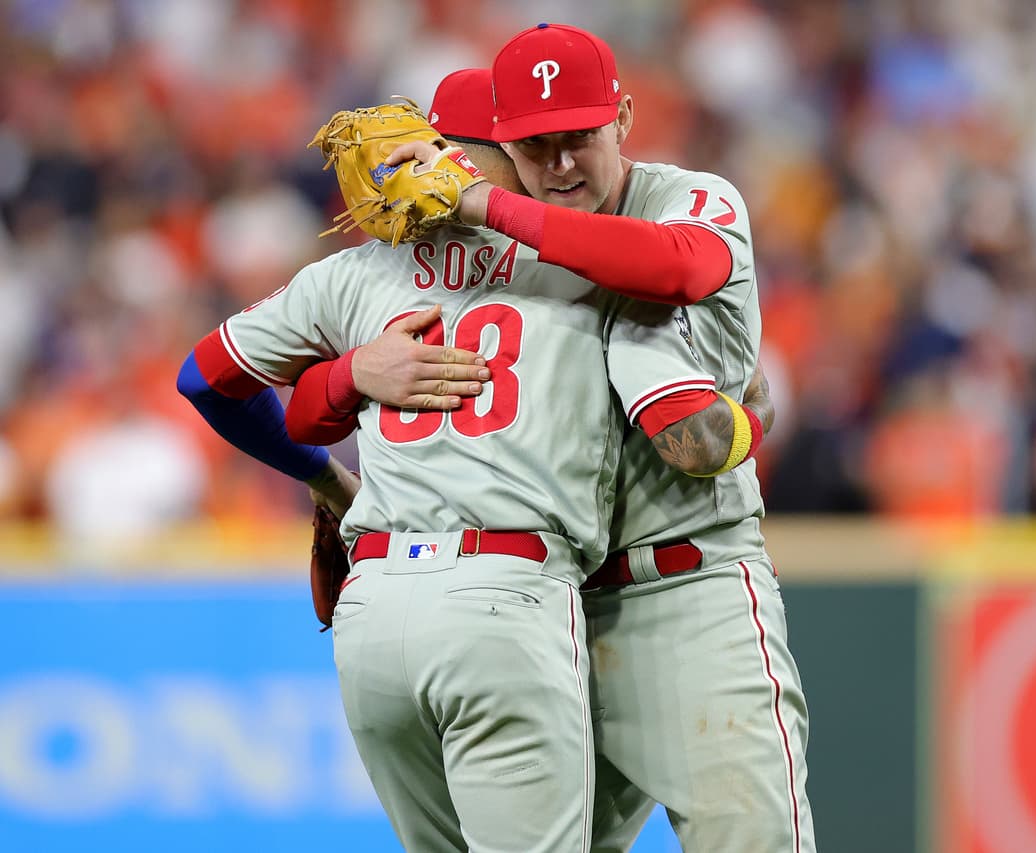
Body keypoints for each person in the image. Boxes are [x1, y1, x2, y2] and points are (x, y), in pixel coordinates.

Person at [176, 67, 763, 853]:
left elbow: (210, 381)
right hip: (507, 595)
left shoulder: (357, 273)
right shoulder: (584, 261)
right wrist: (752, 414)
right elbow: (678, 291)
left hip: (374, 610)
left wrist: (339, 411)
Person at [316, 25, 815, 853]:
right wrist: (343, 398)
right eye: (533, 146)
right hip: (542, 605)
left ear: (623, 117)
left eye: (578, 136)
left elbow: (680, 278)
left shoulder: (689, 198)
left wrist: (484, 201)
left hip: (685, 598)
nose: (560, 164)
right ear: (499, 144)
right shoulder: (479, 255)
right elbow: (255, 382)